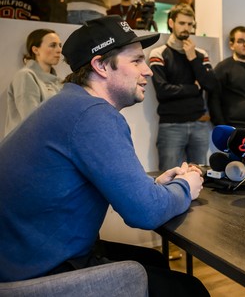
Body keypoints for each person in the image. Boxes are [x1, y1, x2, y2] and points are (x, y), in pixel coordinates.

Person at [0, 15, 209, 296]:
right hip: (36, 274)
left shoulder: (70, 104)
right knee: (190, 289)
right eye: (136, 61)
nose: (147, 71)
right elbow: (145, 213)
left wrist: (155, 187)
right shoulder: (92, 114)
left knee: (154, 259)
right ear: (100, 65)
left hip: (22, 259)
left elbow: (99, 188)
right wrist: (186, 186)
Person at [149, 4, 218, 169]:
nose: (186, 28)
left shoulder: (200, 54)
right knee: (168, 177)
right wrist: (194, 88)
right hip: (171, 126)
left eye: (189, 24)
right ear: (171, 23)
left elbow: (211, 85)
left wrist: (193, 58)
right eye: (182, 23)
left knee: (200, 177)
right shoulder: (158, 53)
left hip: (199, 125)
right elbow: (163, 91)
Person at [5, 29, 63, 135]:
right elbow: (32, 120)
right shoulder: (25, 76)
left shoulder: (59, 82)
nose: (59, 50)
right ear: (36, 50)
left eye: (60, 45)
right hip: (26, 147)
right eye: (53, 45)